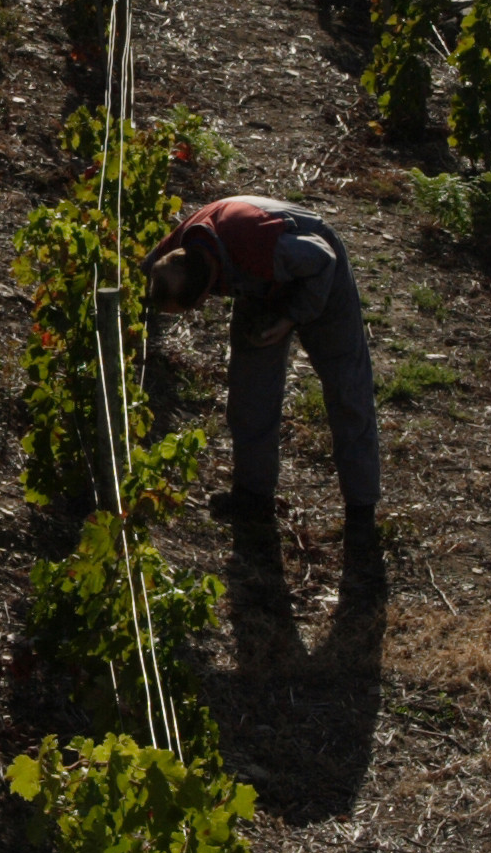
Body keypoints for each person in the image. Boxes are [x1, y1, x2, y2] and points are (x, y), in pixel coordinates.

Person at [142, 194, 386, 592]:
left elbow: (322, 259)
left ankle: (361, 512)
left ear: (204, 295)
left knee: (347, 388)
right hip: (260, 284)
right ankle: (253, 496)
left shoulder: (259, 246)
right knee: (249, 392)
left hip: (318, 272)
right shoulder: (176, 253)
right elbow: (144, 272)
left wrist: (290, 317)